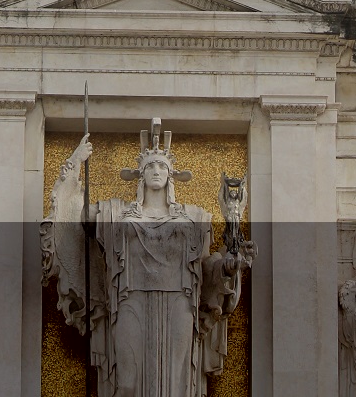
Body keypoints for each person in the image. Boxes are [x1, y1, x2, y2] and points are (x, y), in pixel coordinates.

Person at [42, 122, 252, 397]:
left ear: (171, 175)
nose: (156, 171)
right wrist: (75, 164)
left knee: (178, 379)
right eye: (150, 166)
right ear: (140, 174)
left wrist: (226, 267)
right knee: (127, 379)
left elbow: (204, 267)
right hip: (131, 300)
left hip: (180, 303)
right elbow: (75, 217)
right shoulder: (115, 213)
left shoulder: (193, 218)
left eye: (161, 166)